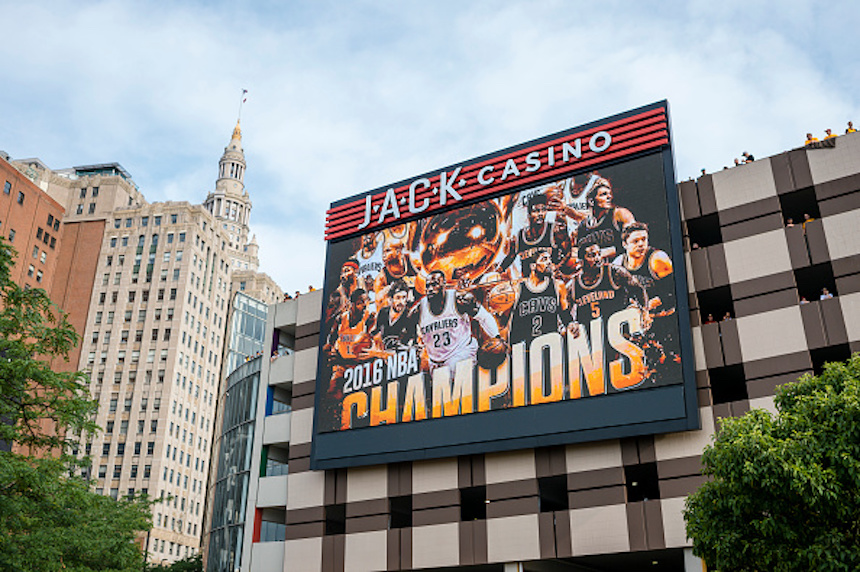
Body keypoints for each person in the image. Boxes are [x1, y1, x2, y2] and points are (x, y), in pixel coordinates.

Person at [418, 270, 501, 375]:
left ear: (444, 284)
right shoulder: (419, 309)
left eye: (434, 285)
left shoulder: (460, 299)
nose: (430, 289)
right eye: (428, 286)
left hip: (461, 352)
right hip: (435, 361)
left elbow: (484, 317)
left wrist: (496, 336)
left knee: (450, 373)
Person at [509, 250, 574, 346]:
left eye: (550, 259)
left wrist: (571, 323)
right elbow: (509, 322)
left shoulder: (558, 285)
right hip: (523, 348)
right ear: (533, 266)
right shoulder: (517, 288)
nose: (549, 262)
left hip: (550, 345)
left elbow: (564, 313)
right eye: (544, 259)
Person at [573, 174, 636, 262]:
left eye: (609, 194)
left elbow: (635, 240)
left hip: (618, 265)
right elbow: (577, 253)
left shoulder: (620, 214)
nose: (609, 197)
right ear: (591, 201)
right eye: (603, 194)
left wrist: (605, 252)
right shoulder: (584, 225)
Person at [326, 288, 376, 394]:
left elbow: (372, 348)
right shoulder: (341, 318)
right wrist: (330, 350)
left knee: (368, 394)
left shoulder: (369, 319)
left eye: (365, 302)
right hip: (342, 366)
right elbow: (331, 338)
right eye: (360, 303)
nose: (364, 305)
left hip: (360, 365)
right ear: (351, 304)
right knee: (332, 392)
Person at [370, 280, 419, 352]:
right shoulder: (383, 312)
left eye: (404, 297)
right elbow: (376, 332)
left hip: (401, 357)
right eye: (398, 298)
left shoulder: (409, 316)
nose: (401, 302)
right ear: (391, 299)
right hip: (384, 354)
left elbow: (413, 341)